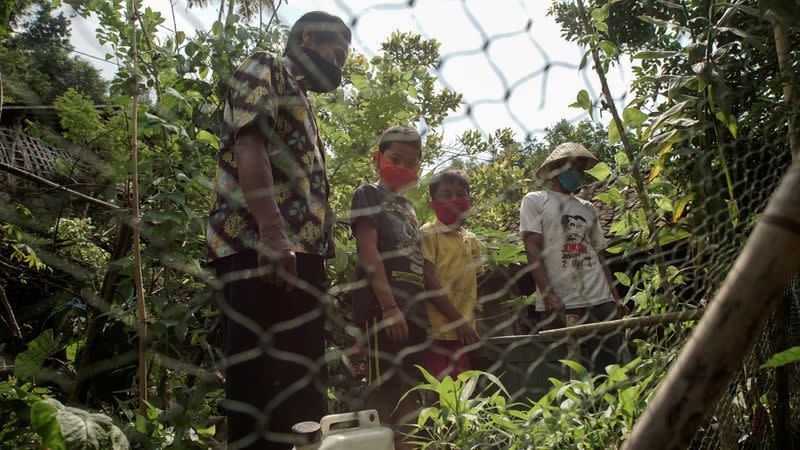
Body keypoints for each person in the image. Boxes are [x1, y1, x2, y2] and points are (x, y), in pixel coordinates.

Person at [206, 11, 350, 450]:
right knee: (260, 386)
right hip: (261, 249)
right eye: (336, 50)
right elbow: (249, 142)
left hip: (298, 255)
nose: (340, 64)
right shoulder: (266, 65)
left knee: (302, 388)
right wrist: (271, 235)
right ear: (307, 36)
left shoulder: (302, 101)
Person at [349, 125, 428, 448]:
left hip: (414, 317)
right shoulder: (367, 194)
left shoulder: (410, 210)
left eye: (412, 163)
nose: (404, 167)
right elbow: (369, 252)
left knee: (411, 393)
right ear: (377, 157)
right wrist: (389, 307)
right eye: (396, 159)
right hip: (383, 314)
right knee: (382, 392)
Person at [519, 142, 628, 374]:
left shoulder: (587, 207)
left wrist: (615, 297)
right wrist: (548, 294)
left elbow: (600, 255)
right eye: (575, 169)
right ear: (557, 168)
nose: (579, 175)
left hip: (600, 297)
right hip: (566, 301)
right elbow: (532, 249)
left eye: (581, 170)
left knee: (611, 367)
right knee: (574, 372)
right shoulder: (536, 200)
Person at [420, 170, 483, 379]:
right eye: (446, 195)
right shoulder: (429, 233)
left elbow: (475, 283)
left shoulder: (471, 239)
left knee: (463, 393)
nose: (454, 200)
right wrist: (459, 322)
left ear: (469, 201)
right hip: (438, 331)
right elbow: (427, 280)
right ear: (432, 204)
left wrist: (468, 325)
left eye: (460, 194)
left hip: (465, 333)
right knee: (442, 392)